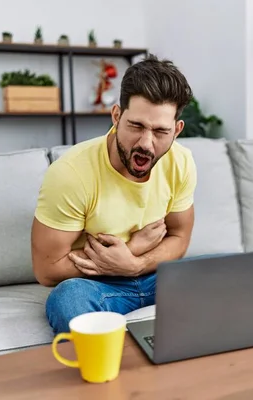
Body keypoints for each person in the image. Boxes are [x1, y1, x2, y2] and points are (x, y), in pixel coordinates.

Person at [31, 54, 197, 335]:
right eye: (136, 126)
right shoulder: (71, 173)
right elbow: (47, 270)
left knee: (225, 274)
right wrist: (129, 251)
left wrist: (135, 263)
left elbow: (180, 238)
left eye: (160, 131)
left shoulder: (181, 163)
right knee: (67, 299)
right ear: (117, 116)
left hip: (156, 276)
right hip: (98, 287)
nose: (146, 143)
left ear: (177, 130)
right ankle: (114, 369)